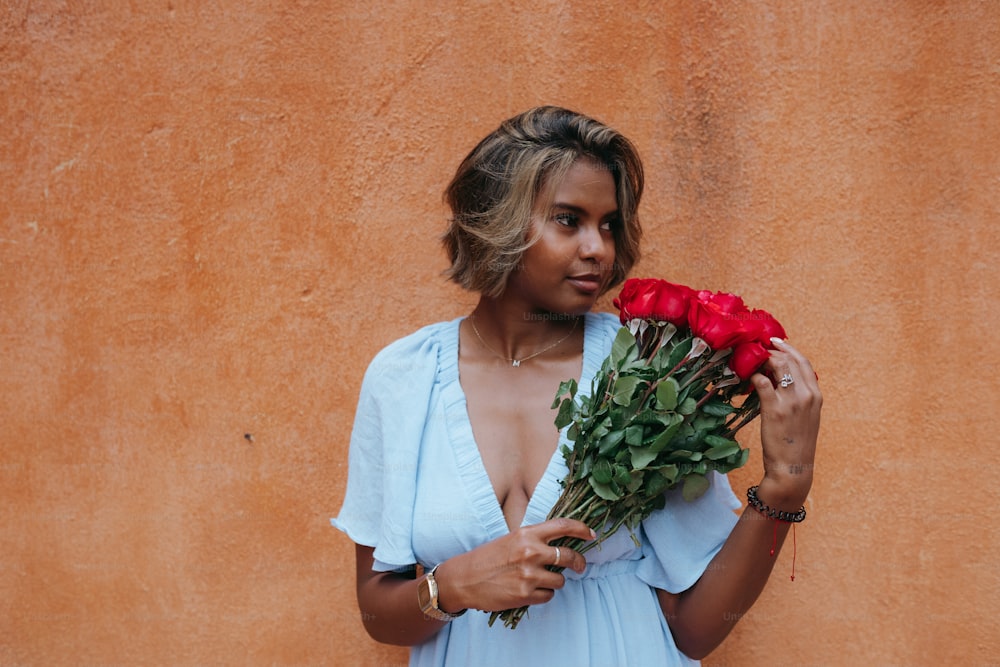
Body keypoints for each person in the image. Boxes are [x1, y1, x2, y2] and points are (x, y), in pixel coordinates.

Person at [332, 106, 822, 666]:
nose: (599, 249)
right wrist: (455, 585)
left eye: (609, 224)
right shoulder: (403, 378)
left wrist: (785, 488)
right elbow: (378, 614)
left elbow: (693, 629)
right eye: (569, 220)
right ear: (498, 221)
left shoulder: (648, 367)